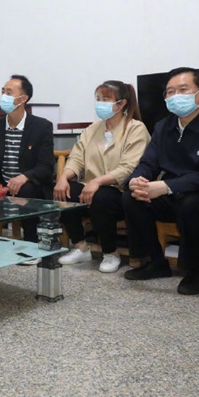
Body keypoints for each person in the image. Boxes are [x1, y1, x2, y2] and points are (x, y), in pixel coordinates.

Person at [122, 67, 199, 294]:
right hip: (169, 193)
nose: (176, 96)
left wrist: (167, 186)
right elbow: (149, 162)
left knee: (191, 205)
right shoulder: (163, 126)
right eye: (170, 91)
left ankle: (196, 271)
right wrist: (137, 180)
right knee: (132, 197)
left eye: (183, 89)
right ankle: (155, 261)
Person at [54, 81, 150, 272]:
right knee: (64, 191)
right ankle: (81, 247)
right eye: (98, 99)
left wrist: (97, 181)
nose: (100, 103)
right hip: (91, 187)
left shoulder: (136, 128)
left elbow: (128, 168)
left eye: (105, 99)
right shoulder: (93, 129)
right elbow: (77, 158)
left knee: (101, 196)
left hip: (121, 192)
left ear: (121, 103)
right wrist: (63, 178)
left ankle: (111, 252)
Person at [0, 75, 54, 243]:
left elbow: (46, 166)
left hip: (32, 185)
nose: (3, 96)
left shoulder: (42, 127)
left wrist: (23, 177)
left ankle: (31, 241)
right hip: (4, 183)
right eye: (3, 92)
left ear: (23, 99)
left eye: (9, 92)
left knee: (26, 191)